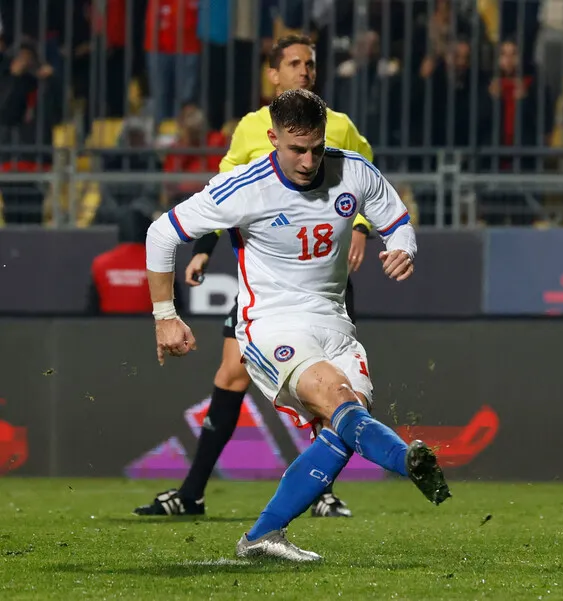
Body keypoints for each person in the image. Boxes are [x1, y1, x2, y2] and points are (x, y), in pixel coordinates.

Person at [145, 88, 451, 561]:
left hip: (334, 321)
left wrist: (403, 249)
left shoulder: (354, 170)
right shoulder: (245, 187)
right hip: (272, 324)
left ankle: (263, 536)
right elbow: (162, 232)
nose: (309, 161)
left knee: (344, 426)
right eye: (296, 149)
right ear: (273, 138)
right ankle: (407, 462)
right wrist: (165, 316)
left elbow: (397, 221)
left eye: (316, 148)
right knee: (340, 400)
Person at [134, 34, 373, 518]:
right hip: (263, 283)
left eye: (310, 63)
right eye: (293, 63)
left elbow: (368, 182)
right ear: (273, 74)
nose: (305, 70)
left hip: (320, 281)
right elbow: (225, 195)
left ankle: (309, 490)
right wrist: (204, 249)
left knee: (317, 379)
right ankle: (197, 492)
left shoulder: (340, 127)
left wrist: (364, 228)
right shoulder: (250, 129)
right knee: (232, 373)